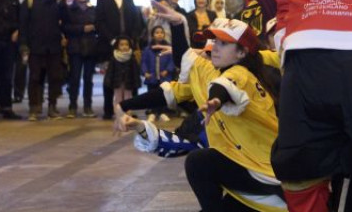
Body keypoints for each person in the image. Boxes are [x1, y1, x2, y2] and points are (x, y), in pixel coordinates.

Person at [115, 18, 285, 211]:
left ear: (242, 51)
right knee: (200, 162)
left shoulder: (243, 72)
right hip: (250, 181)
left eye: (222, 43)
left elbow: (225, 86)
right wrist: (131, 115)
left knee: (200, 162)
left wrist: (216, 100)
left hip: (270, 179)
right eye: (210, 44)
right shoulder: (211, 76)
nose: (211, 49)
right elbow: (173, 96)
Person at [19, 0, 68, 121]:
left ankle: (52, 107)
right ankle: (35, 107)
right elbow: (23, 24)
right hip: (36, 46)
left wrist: (64, 1)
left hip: (53, 46)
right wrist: (24, 45)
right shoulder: (30, 0)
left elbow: (65, 20)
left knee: (55, 77)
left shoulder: (58, 0)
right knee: (35, 78)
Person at [95, 0, 143, 120]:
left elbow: (137, 20)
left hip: (128, 45)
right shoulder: (102, 0)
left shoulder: (128, 0)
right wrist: (112, 40)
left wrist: (132, 40)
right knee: (110, 80)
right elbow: (99, 22)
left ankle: (130, 108)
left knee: (131, 79)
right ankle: (109, 110)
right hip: (109, 46)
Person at [61, 0, 99, 118]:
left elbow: (99, 25)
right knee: (74, 78)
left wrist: (94, 27)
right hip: (75, 48)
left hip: (90, 48)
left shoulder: (93, 9)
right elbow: (65, 27)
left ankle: (88, 106)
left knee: (88, 79)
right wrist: (82, 29)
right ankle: (72, 106)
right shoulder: (70, 9)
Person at [140, 26, 174, 122]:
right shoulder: (148, 49)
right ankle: (152, 113)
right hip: (152, 77)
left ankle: (163, 112)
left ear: (164, 34)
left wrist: (167, 70)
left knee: (164, 95)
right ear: (152, 35)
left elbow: (172, 60)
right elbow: (144, 62)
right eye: (156, 32)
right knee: (151, 95)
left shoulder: (168, 48)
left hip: (164, 77)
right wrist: (145, 72)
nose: (159, 34)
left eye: (161, 32)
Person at [105, 36, 139, 107]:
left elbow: (135, 72)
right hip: (116, 82)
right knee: (118, 98)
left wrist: (137, 82)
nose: (124, 47)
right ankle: (118, 113)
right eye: (121, 45)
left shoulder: (132, 58)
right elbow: (110, 71)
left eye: (126, 44)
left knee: (128, 98)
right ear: (117, 46)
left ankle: (127, 114)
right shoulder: (114, 58)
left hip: (129, 83)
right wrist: (108, 81)